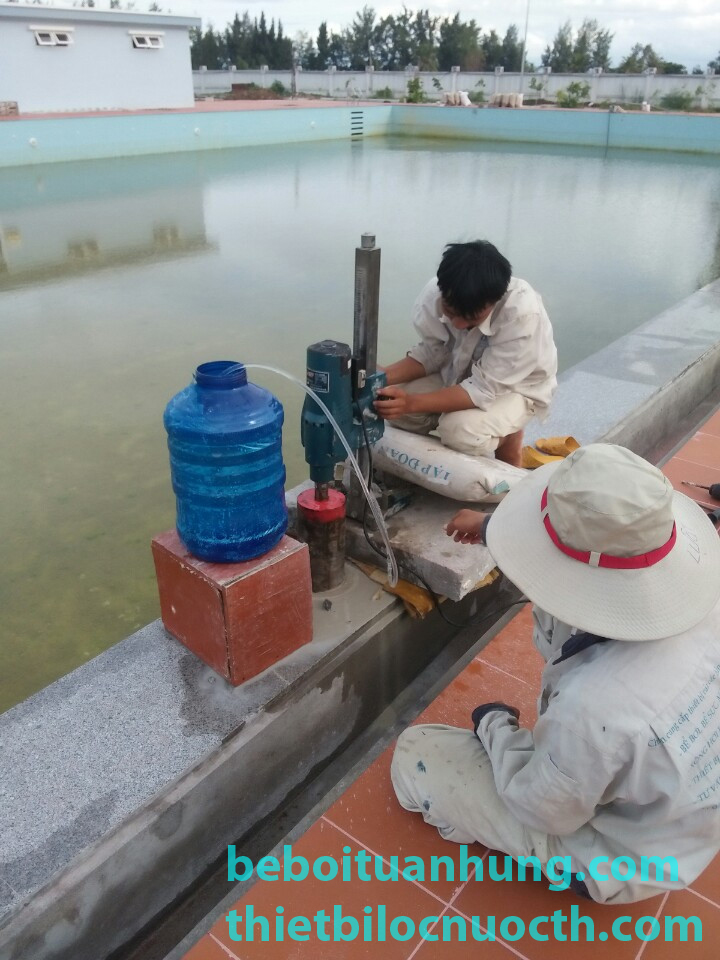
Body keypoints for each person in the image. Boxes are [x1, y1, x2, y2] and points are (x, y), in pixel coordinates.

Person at [391, 444, 720, 903]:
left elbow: (543, 810)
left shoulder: (594, 711)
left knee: (415, 753)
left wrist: (494, 727)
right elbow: (599, 552)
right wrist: (491, 529)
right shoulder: (706, 592)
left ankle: (562, 860)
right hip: (686, 814)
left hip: (623, 856)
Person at [375, 240, 557, 468]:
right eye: (450, 313)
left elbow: (482, 389)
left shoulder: (521, 316)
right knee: (390, 406)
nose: (459, 325)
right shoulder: (433, 295)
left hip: (514, 388)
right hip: (456, 372)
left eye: (472, 318)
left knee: (459, 431)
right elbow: (434, 352)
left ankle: (508, 437)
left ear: (494, 300)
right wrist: (381, 377)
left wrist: (411, 403)